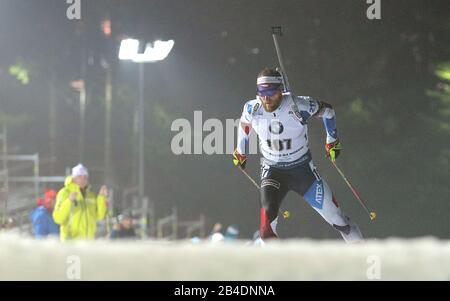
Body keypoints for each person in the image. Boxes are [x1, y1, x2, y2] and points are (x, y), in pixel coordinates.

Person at [233, 68, 363, 243]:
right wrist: (241, 151)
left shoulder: (299, 105)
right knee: (265, 231)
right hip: (273, 171)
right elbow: (244, 125)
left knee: (340, 222)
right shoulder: (252, 108)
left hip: (302, 171)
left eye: (271, 91)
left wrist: (332, 140)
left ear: (281, 89)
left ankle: (366, 259)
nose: (266, 97)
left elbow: (328, 111)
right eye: (261, 92)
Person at [53, 163, 108, 241]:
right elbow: (58, 218)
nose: (83, 179)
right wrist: (69, 201)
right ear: (73, 178)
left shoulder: (91, 195)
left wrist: (101, 197)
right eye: (79, 176)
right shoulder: (64, 193)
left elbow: (99, 216)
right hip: (70, 242)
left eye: (85, 177)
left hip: (88, 243)